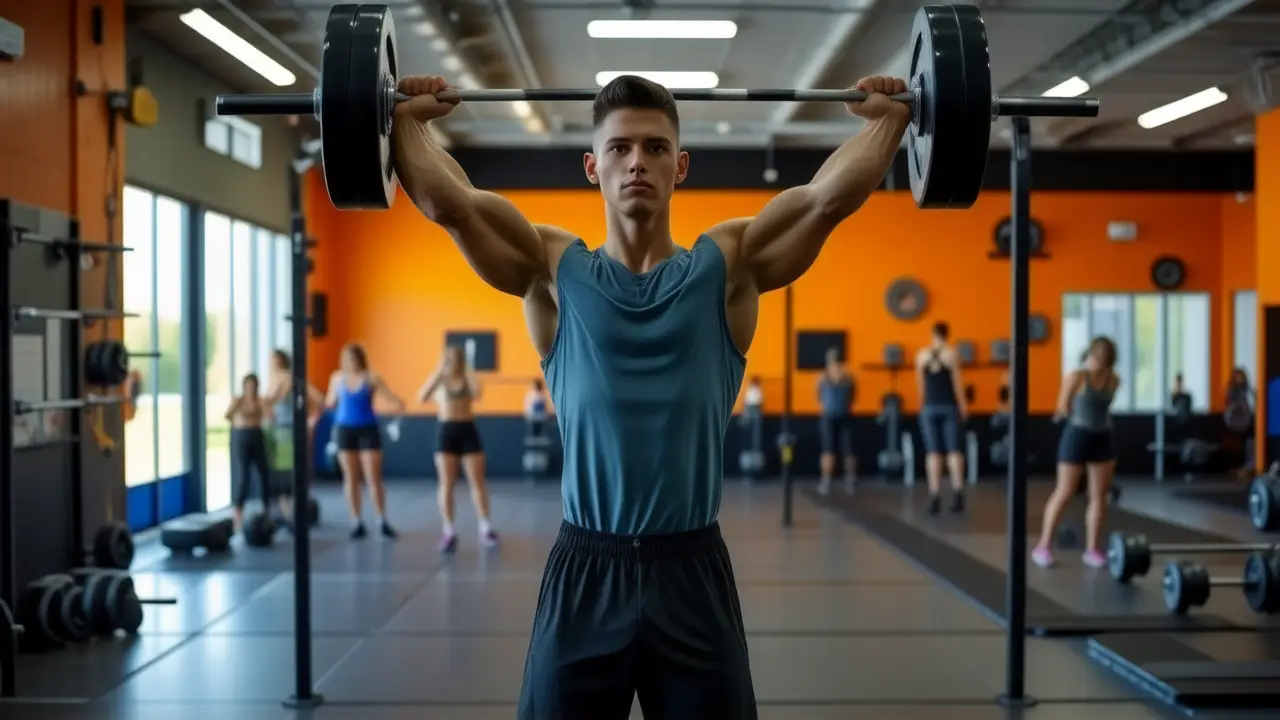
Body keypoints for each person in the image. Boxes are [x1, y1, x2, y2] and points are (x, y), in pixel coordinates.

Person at [392, 71, 912, 718]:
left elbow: (822, 201)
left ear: (680, 165)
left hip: (691, 570)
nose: (637, 161)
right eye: (619, 148)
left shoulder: (726, 266)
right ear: (592, 165)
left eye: (656, 147)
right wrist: (400, 122)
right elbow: (454, 205)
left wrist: (890, 119)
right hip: (586, 569)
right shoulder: (554, 268)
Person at [1031, 336, 1120, 569]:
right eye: (1097, 358)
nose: (1100, 363)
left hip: (1102, 437)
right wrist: (1062, 413)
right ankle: (1043, 546)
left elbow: (1104, 409)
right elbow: (1061, 405)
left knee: (1099, 495)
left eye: (1104, 360)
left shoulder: (1114, 380)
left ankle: (1092, 550)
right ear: (1089, 355)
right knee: (1065, 490)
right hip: (1077, 435)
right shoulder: (1076, 377)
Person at [418, 343, 498, 552]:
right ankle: (449, 530)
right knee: (447, 483)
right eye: (449, 358)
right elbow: (421, 397)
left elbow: (478, 393)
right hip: (446, 431)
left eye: (456, 358)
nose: (452, 361)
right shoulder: (440, 379)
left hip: (468, 430)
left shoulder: (468, 378)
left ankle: (485, 527)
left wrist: (468, 368)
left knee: (477, 482)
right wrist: (439, 370)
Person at [326, 343, 406, 540]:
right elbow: (330, 402)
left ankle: (381, 520)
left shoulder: (372, 377)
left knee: (373, 478)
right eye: (345, 358)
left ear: (359, 359)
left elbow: (389, 396)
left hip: (368, 429)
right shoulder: (337, 378)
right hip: (344, 429)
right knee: (351, 478)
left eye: (351, 358)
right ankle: (356, 521)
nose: (348, 362)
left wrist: (398, 403)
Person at [261, 349, 326, 525]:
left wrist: (312, 421)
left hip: (289, 431)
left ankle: (292, 514)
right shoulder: (275, 379)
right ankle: (288, 513)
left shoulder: (287, 378)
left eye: (275, 360)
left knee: (291, 473)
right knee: (283, 473)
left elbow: (320, 399)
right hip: (278, 431)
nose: (273, 363)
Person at [915, 321, 968, 514]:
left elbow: (920, 385)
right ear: (948, 334)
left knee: (933, 452)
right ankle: (958, 494)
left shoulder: (921, 355)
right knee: (954, 450)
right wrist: (963, 406)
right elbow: (957, 384)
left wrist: (922, 405)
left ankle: (934, 496)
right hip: (949, 406)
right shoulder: (952, 354)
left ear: (932, 333)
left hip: (929, 406)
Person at [225, 373, 272, 533]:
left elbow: (269, 416)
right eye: (248, 385)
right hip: (241, 436)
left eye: (253, 385)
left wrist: (262, 406)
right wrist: (239, 417)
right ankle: (238, 514)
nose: (250, 388)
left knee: (264, 473)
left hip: (256, 435)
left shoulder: (260, 401)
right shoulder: (238, 401)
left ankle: (267, 510)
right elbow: (227, 416)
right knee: (243, 476)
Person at [817, 350, 856, 495]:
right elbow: (820, 397)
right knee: (829, 450)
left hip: (841, 415)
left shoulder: (847, 378)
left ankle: (849, 480)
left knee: (848, 450)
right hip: (831, 416)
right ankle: (828, 481)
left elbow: (852, 397)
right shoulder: (824, 378)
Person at [1224, 367, 1256, 477]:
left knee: (1252, 436)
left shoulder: (1249, 390)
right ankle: (1248, 464)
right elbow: (1232, 407)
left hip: (1248, 421)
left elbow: (1253, 404)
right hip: (1236, 421)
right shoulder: (1232, 391)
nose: (1240, 379)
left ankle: (1251, 463)